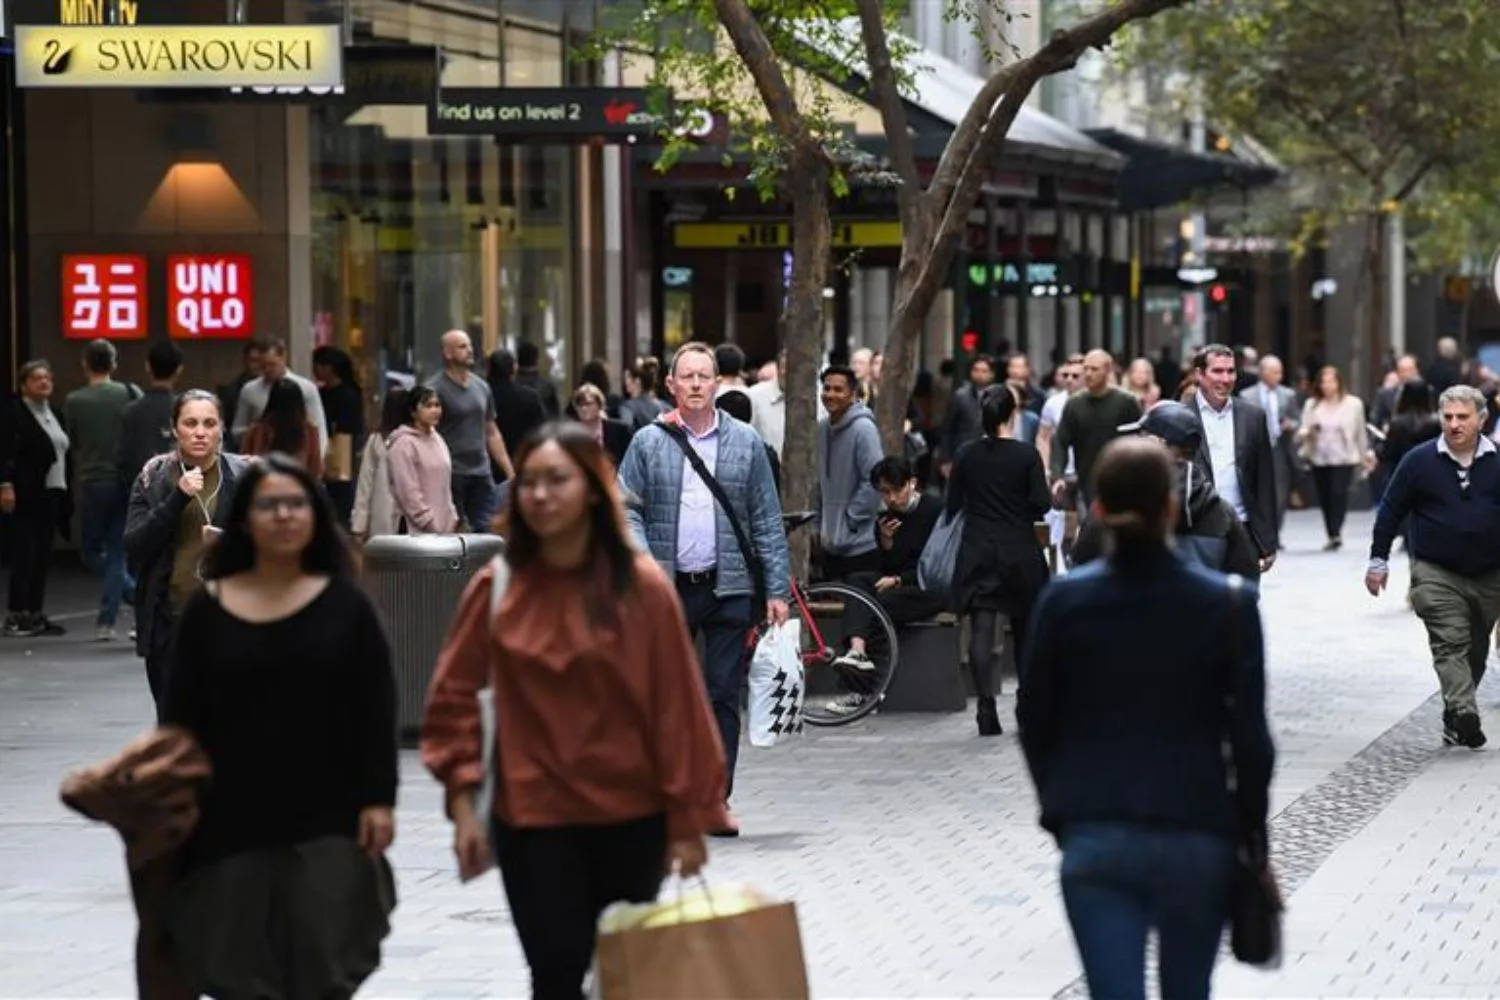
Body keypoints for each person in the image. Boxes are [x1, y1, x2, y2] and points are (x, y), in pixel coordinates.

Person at [422, 423, 729, 1000]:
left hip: (631, 819)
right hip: (533, 820)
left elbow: (679, 708)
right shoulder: (498, 586)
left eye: (557, 480)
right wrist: (464, 804)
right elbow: (452, 701)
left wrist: (691, 819)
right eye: (530, 482)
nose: (539, 495)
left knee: (624, 975)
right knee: (556, 974)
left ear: (593, 487)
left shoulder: (641, 587)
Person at [1018, 436, 1275, 1000]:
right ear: (1170, 506)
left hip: (1097, 828)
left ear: (1100, 510)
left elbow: (1035, 718)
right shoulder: (1229, 605)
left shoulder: (1063, 602)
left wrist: (1058, 810)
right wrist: (1251, 836)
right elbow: (1252, 741)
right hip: (1196, 831)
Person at [161, 454, 397, 997]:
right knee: (238, 968)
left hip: (326, 817)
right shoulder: (209, 610)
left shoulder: (346, 606)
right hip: (228, 819)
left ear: (315, 516)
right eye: (269, 505)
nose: (284, 515)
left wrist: (378, 799)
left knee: (324, 961)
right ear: (244, 519)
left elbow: (374, 707)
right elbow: (180, 721)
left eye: (296, 504)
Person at [616, 341, 791, 836]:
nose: (695, 384)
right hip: (667, 590)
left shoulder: (746, 443)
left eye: (703, 376)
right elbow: (624, 506)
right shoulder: (649, 442)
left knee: (720, 695)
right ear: (670, 385)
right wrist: (645, 561)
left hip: (728, 587)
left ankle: (716, 797)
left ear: (718, 384)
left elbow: (765, 518)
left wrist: (777, 589)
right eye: (686, 376)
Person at [1368, 385, 1500, 749]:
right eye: (1448, 417)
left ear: (1482, 420)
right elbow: (1391, 510)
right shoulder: (1418, 461)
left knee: (1475, 648)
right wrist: (1378, 560)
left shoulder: (1497, 460)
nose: (1454, 424)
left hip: (1490, 574)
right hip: (1435, 570)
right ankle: (1465, 712)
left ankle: (1454, 712)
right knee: (1449, 642)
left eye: (1463, 417)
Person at [125, 390, 249, 715]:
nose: (200, 432)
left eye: (209, 423)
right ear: (174, 428)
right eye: (190, 423)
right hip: (170, 618)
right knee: (173, 722)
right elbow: (135, 546)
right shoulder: (154, 478)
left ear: (221, 428)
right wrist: (177, 499)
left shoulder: (244, 477)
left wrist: (229, 544)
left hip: (229, 619)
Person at [948, 387, 1052, 737]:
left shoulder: (966, 454)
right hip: (1019, 549)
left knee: (980, 628)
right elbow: (1042, 503)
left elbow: (953, 502)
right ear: (1012, 414)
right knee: (1024, 630)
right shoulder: (1026, 455)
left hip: (978, 547)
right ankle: (1025, 704)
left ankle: (985, 707)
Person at [1073, 401, 1260, 578]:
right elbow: (1245, 580)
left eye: (1142, 435)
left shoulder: (1115, 504)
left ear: (1158, 443)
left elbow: (1080, 566)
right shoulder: (1222, 512)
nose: (1138, 441)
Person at [831, 456, 945, 675]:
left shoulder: (935, 510)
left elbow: (936, 565)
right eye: (884, 492)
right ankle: (857, 650)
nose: (891, 498)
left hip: (928, 586)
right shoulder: (887, 519)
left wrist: (900, 580)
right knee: (858, 582)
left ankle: (865, 687)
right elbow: (886, 566)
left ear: (912, 483)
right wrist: (887, 542)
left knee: (876, 604)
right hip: (898, 583)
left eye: (897, 490)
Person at [64, 339, 141, 641]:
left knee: (92, 550)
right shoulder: (128, 394)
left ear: (85, 364)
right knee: (118, 550)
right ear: (114, 363)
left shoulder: (74, 400)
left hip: (93, 480)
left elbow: (74, 442)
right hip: (125, 479)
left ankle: (115, 611)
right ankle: (129, 604)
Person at [1190, 344, 1280, 575]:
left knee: (1243, 602)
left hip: (1243, 529)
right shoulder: (1182, 415)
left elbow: (1264, 481)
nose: (1226, 378)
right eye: (1217, 371)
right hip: (1197, 532)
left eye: (1231, 371)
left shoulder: (1253, 417)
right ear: (1199, 374)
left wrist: (1268, 540)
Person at [0, 360, 72, 638]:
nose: (44, 382)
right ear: (23, 384)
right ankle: (17, 613)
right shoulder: (14, 413)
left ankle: (35, 611)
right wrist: (5, 484)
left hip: (52, 490)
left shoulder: (55, 413)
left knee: (42, 553)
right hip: (25, 491)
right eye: (36, 378)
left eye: (47, 377)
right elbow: (5, 450)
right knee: (24, 552)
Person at [431, 330, 513, 532]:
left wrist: (509, 470)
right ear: (447, 353)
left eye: (469, 346)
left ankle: (484, 564)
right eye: (462, 347)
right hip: (451, 472)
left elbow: (491, 431)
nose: (469, 350)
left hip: (481, 470)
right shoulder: (435, 389)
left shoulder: (482, 387)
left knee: (486, 529)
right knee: (453, 531)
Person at [815, 364, 885, 581]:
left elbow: (874, 479)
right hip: (830, 544)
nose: (830, 395)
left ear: (853, 394)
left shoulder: (864, 429)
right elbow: (820, 481)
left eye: (838, 389)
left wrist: (851, 519)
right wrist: (819, 525)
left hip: (860, 545)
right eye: (826, 388)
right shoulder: (823, 428)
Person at [1050, 349, 1142, 508]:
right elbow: (1060, 440)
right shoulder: (1074, 404)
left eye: (1094, 369)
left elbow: (1139, 439)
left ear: (1107, 370)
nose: (1088, 373)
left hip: (1121, 479)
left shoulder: (1126, 402)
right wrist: (1057, 475)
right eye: (1086, 368)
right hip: (1086, 479)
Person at [1297, 364, 1370, 551]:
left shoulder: (1353, 404)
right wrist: (1309, 431)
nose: (1327, 385)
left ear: (1339, 382)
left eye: (1331, 381)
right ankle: (1331, 532)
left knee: (1338, 493)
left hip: (1344, 457)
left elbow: (1360, 432)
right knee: (1325, 496)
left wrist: (1365, 456)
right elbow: (1302, 429)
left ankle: (1336, 531)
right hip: (1319, 456)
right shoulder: (1312, 404)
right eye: (1323, 382)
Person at [230, 339, 329, 458]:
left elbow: (318, 427)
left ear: (283, 358)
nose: (267, 370)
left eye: (271, 364)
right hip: (262, 457)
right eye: (263, 366)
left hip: (298, 456)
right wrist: (255, 433)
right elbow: (237, 429)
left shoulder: (306, 388)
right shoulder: (249, 390)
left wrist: (319, 458)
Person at [1239, 354, 1300, 540]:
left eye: (1280, 372)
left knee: (1280, 492)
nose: (1278, 376)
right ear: (1262, 372)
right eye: (1274, 372)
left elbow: (1297, 419)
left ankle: (1275, 531)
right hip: (1257, 449)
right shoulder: (1246, 396)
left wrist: (1291, 424)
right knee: (1259, 490)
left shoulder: (1288, 395)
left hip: (1279, 447)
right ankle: (1262, 530)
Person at [387, 385, 460, 535]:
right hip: (416, 531)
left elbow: (445, 485)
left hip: (445, 528)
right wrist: (427, 521)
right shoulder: (403, 445)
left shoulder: (438, 439)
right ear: (413, 412)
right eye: (428, 406)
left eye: (437, 405)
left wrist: (452, 516)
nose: (435, 410)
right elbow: (408, 491)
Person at [117, 340, 184, 489]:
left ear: (148, 366)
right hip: (179, 494)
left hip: (142, 493)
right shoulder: (186, 409)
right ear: (179, 370)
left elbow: (122, 461)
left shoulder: (131, 411)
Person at [312, 345, 365, 526]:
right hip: (325, 445)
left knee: (340, 494)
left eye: (318, 365)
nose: (315, 370)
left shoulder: (348, 394)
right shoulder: (320, 393)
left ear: (329, 367)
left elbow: (348, 426)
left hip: (341, 449)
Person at [352, 389, 408, 540]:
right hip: (398, 513)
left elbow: (365, 484)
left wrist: (359, 524)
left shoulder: (376, 440)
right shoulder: (378, 440)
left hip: (389, 513)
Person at [240, 379, 324, 478]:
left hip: (263, 486)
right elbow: (315, 468)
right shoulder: (309, 430)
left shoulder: (256, 429)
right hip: (298, 487)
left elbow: (243, 464)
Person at [486, 348, 548, 458]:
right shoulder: (529, 396)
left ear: (489, 369)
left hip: (488, 458)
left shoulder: (482, 395)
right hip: (521, 456)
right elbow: (541, 429)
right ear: (514, 368)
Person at [570, 382, 633, 467]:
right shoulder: (572, 434)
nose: (584, 408)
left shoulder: (618, 430)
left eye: (588, 404)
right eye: (580, 405)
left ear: (599, 405)